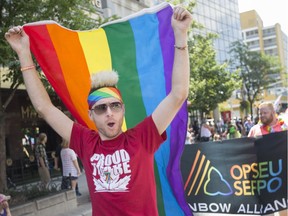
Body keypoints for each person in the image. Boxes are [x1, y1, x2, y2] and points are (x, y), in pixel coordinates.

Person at [5, 6, 192, 216]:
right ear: (91, 115)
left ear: (123, 110)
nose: (109, 112)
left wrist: (181, 35)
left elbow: (178, 93)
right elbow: (44, 108)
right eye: (101, 108)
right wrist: (23, 53)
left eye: (115, 106)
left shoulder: (142, 137)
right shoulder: (86, 142)